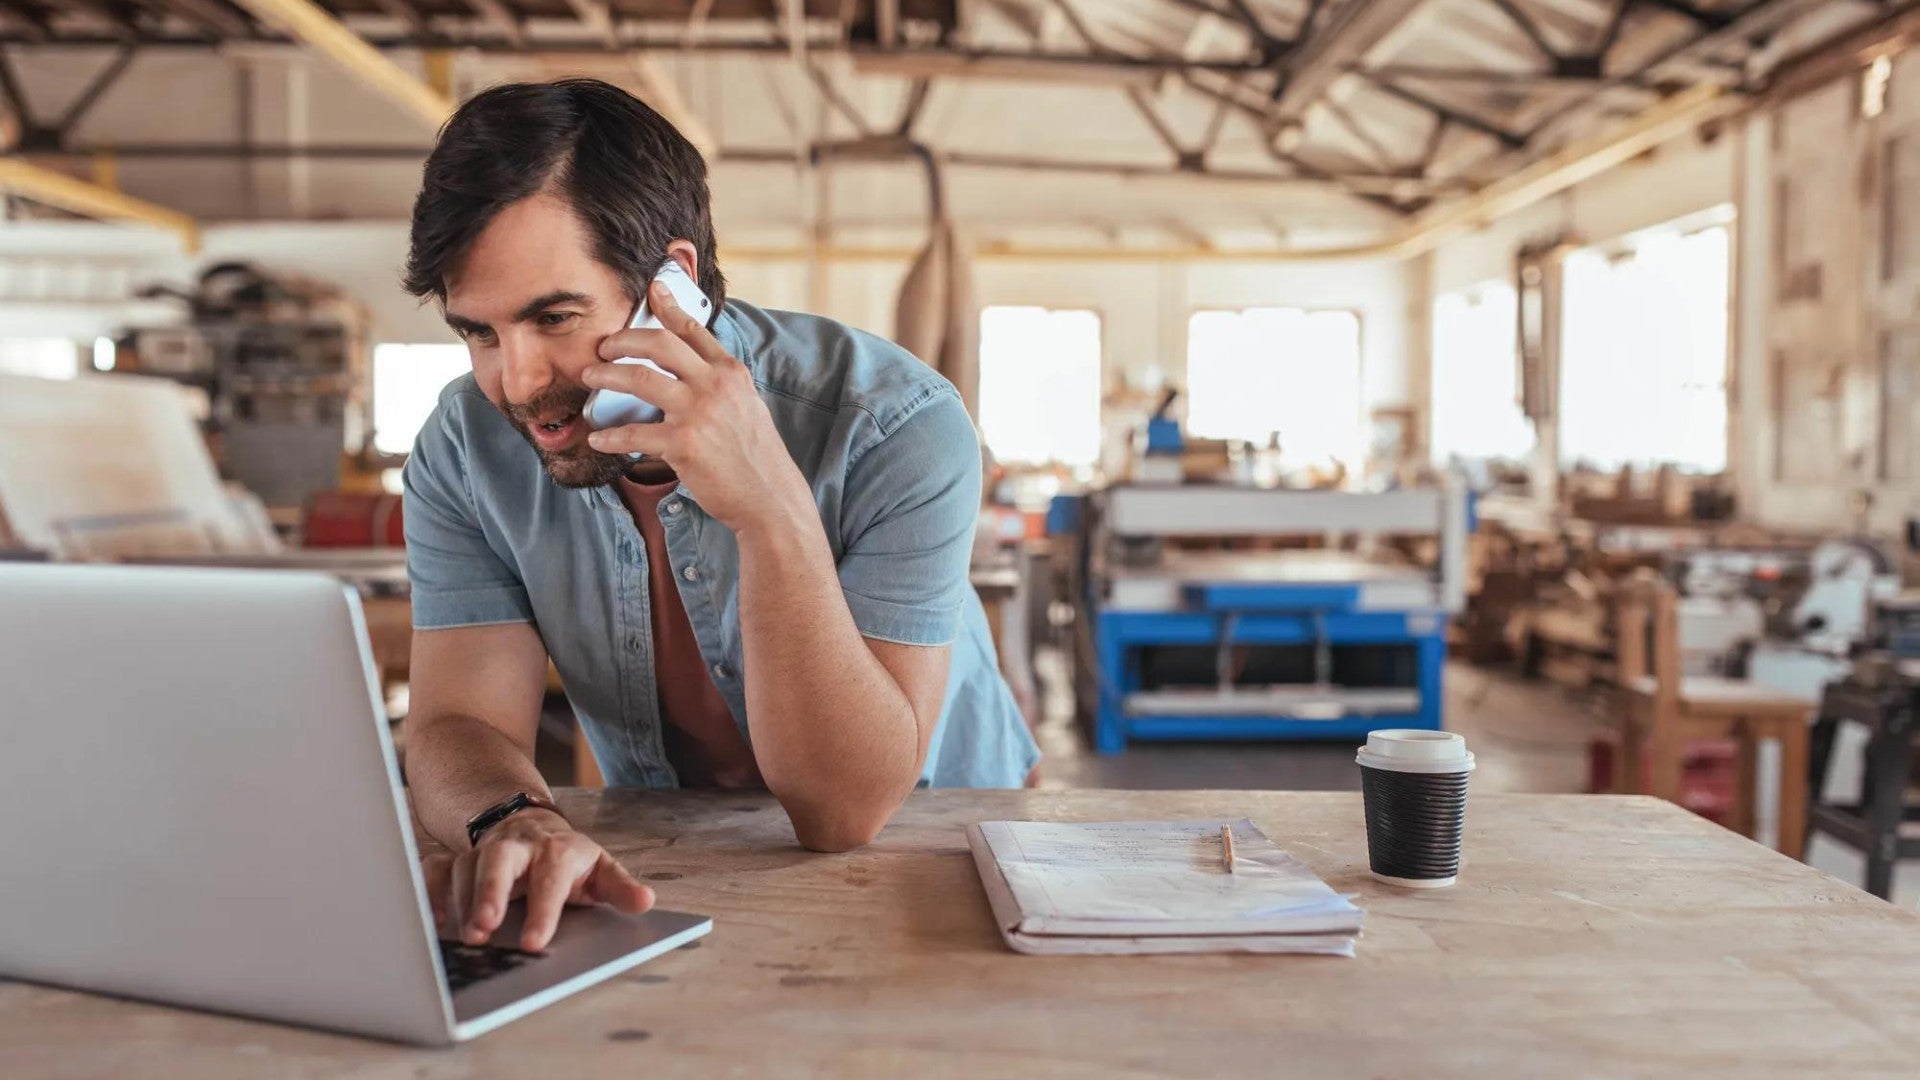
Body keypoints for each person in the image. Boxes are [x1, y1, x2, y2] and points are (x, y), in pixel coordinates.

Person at [398, 79, 1039, 953]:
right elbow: (455, 725)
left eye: (554, 317)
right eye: (479, 332)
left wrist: (771, 511)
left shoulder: (898, 426)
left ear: (674, 283)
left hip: (942, 844)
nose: (516, 381)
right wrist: (510, 817)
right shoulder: (464, 448)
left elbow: (844, 812)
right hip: (669, 856)